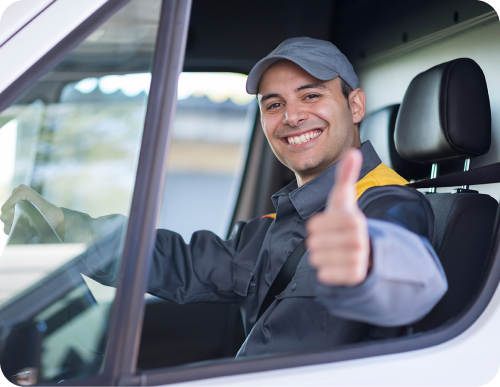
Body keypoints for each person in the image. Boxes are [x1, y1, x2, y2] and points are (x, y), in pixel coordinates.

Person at [0, 37, 447, 357]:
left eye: (311, 95)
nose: (292, 116)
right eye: (274, 105)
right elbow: (185, 263)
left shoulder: (385, 203)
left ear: (355, 106)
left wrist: (369, 264)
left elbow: (405, 273)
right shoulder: (287, 218)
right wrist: (70, 226)